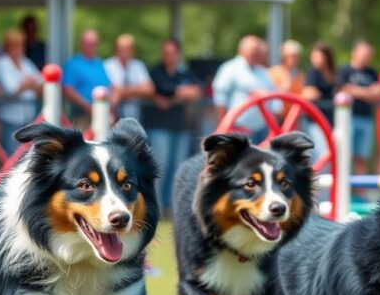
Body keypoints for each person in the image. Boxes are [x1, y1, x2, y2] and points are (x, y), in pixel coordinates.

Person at [145, 37, 201, 213]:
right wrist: (181, 93)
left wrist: (174, 96)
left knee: (178, 167)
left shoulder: (184, 73)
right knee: (160, 166)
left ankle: (171, 206)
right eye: (166, 53)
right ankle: (157, 206)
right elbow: (161, 88)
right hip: (159, 127)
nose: (168, 56)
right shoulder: (156, 71)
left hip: (181, 127)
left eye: (172, 53)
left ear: (178, 54)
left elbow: (198, 90)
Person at [211, 35, 277, 140]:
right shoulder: (229, 69)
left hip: (262, 131)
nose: (256, 53)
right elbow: (220, 98)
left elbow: (274, 98)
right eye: (253, 50)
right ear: (241, 50)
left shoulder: (263, 72)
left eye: (257, 51)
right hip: (237, 131)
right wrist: (225, 127)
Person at [336, 40, 380, 175]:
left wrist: (355, 91)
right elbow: (344, 89)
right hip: (348, 119)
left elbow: (378, 94)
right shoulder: (344, 70)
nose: (367, 57)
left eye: (369, 54)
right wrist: (368, 92)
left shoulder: (372, 73)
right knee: (345, 155)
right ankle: (344, 192)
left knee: (361, 157)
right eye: (364, 53)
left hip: (366, 119)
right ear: (354, 53)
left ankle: (359, 194)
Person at [0, 29, 42, 155]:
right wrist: (27, 84)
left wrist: (25, 85)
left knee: (28, 156)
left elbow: (41, 82)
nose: (19, 49)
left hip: (28, 118)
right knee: (12, 157)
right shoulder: (2, 63)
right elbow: (11, 89)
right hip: (10, 119)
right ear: (8, 47)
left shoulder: (26, 62)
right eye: (15, 45)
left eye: (21, 45)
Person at [301, 42, 338, 166]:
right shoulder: (313, 73)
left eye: (318, 56)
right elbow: (308, 93)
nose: (315, 60)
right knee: (323, 153)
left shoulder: (334, 74)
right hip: (315, 121)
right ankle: (321, 184)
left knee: (333, 153)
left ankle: (328, 183)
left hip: (331, 120)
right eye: (313, 56)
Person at [62, 30, 110, 125]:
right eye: (88, 44)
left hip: (102, 113)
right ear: (81, 44)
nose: (91, 47)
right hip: (81, 116)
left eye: (94, 44)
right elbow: (68, 90)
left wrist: (111, 105)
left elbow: (109, 85)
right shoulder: (73, 64)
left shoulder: (100, 63)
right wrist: (88, 106)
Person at [104, 34, 154, 121]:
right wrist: (137, 89)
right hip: (113, 120)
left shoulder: (138, 66)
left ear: (132, 50)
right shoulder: (107, 66)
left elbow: (149, 90)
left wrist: (123, 92)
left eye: (127, 49)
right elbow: (109, 90)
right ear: (116, 49)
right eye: (121, 49)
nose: (124, 52)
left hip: (134, 119)